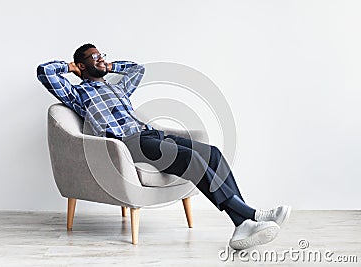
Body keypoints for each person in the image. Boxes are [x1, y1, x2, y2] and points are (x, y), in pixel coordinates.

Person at [37, 43, 291, 250]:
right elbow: (44, 72)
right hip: (127, 144)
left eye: (102, 55)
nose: (101, 59)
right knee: (193, 161)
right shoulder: (78, 94)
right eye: (95, 58)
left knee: (212, 153)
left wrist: (109, 65)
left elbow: (137, 70)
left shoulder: (117, 88)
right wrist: (70, 68)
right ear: (82, 65)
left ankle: (243, 222)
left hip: (150, 135)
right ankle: (249, 216)